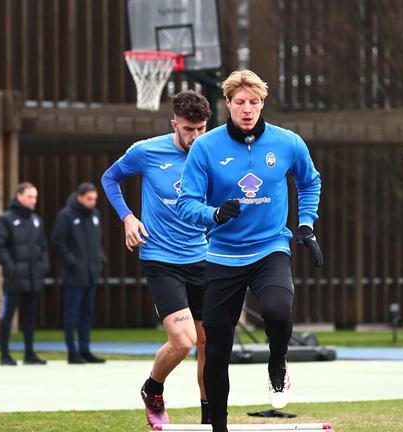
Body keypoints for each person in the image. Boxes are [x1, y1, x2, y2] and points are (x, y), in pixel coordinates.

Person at [177, 70, 323, 432]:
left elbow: (310, 182)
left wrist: (306, 224)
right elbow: (185, 203)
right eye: (240, 102)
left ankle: (277, 365)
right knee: (216, 348)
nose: (247, 109)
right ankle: (219, 427)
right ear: (227, 104)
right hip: (223, 255)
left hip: (270, 247)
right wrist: (213, 213)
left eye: (254, 102)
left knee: (276, 310)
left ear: (262, 104)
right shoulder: (206, 147)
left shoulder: (288, 143)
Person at [101, 90, 212, 426]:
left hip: (203, 259)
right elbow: (110, 178)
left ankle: (210, 418)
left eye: (202, 129)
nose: (195, 137)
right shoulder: (146, 151)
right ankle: (153, 387)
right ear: (174, 124)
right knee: (184, 340)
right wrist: (127, 217)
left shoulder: (213, 153)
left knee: (210, 344)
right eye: (189, 129)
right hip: (161, 258)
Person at [0, 182, 50, 366]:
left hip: (33, 278)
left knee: (30, 317)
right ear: (19, 196)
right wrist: (10, 266)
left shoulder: (36, 220)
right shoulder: (6, 220)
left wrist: (43, 267)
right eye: (30, 196)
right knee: (8, 315)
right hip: (14, 278)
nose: (33, 201)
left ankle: (29, 354)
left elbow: (43, 247)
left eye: (35, 197)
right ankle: (5, 354)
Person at [51, 182, 107, 364]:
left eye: (95, 199)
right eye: (89, 199)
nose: (93, 202)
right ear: (80, 197)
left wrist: (100, 260)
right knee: (72, 315)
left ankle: (85, 350)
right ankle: (72, 352)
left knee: (87, 314)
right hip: (74, 276)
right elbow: (58, 242)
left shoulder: (95, 216)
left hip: (92, 274)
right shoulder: (66, 215)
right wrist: (72, 262)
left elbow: (97, 242)